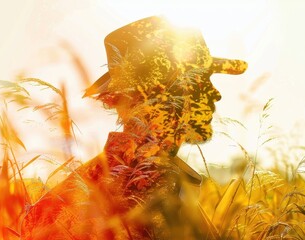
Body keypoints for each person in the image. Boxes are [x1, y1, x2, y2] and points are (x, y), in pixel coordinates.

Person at [21, 16, 247, 239]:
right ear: (160, 94)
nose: (216, 93)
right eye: (201, 80)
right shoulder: (137, 193)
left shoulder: (158, 179)